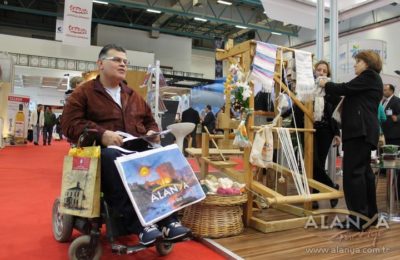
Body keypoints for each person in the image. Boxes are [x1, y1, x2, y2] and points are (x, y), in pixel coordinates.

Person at [61, 44, 190, 245]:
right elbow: (69, 125)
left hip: (135, 149)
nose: (122, 64)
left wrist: (152, 132)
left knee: (164, 155)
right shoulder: (84, 93)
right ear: (100, 64)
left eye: (125, 61)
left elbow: (150, 121)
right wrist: (101, 134)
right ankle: (139, 225)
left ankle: (169, 221)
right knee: (112, 157)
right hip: (103, 153)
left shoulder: (132, 95)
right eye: (117, 60)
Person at [319, 50, 383, 231]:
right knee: (364, 175)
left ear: (368, 63)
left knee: (353, 175)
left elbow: (344, 88)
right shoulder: (369, 81)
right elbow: (345, 95)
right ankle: (370, 216)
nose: (355, 64)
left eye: (358, 61)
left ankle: (358, 219)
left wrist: (326, 83)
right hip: (363, 132)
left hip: (359, 132)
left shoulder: (369, 76)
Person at [311, 61, 341, 209]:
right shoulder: (308, 87)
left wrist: (337, 133)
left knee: (318, 163)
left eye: (324, 71)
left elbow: (335, 113)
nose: (321, 72)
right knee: (312, 163)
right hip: (310, 129)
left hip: (325, 131)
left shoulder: (331, 89)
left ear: (327, 74)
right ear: (315, 71)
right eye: (319, 69)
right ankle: (332, 188)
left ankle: (315, 196)